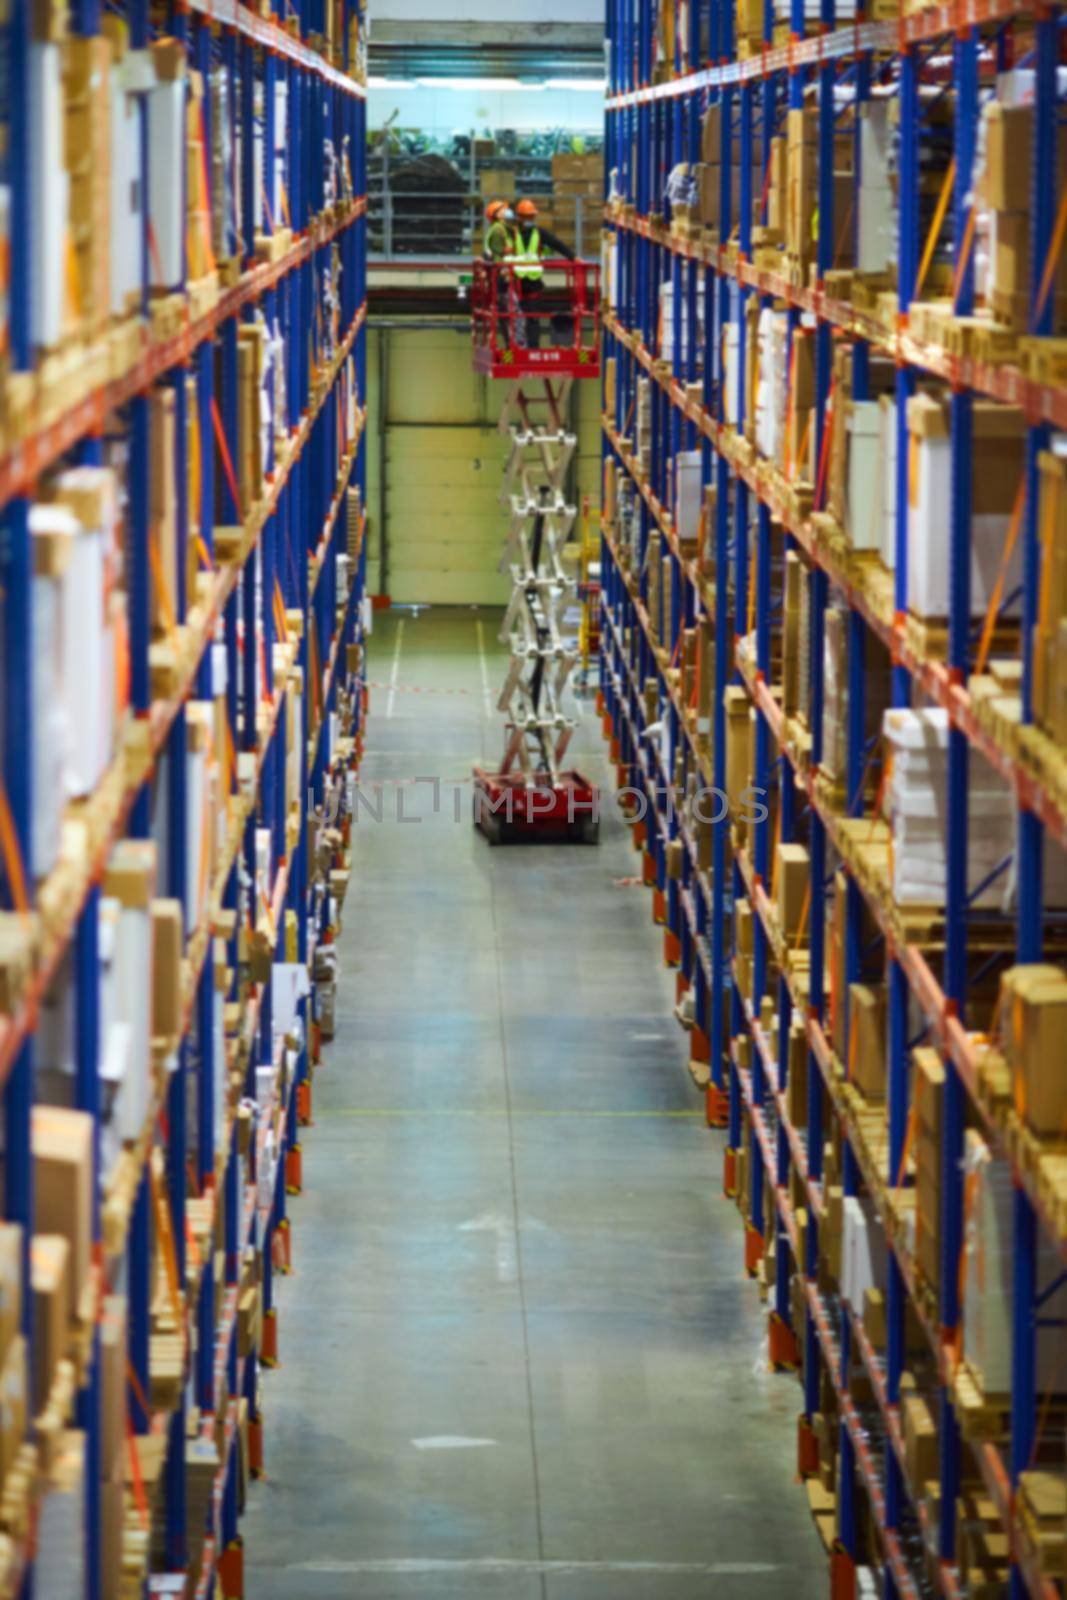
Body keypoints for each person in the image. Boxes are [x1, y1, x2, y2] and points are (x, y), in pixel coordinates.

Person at [513, 198, 576, 348]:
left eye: (532, 217)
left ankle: (533, 348)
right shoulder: (512, 233)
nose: (530, 220)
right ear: (519, 217)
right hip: (515, 283)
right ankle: (517, 346)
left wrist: (573, 257)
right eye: (527, 217)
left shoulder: (539, 233)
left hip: (533, 283)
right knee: (514, 318)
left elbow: (556, 243)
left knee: (533, 318)